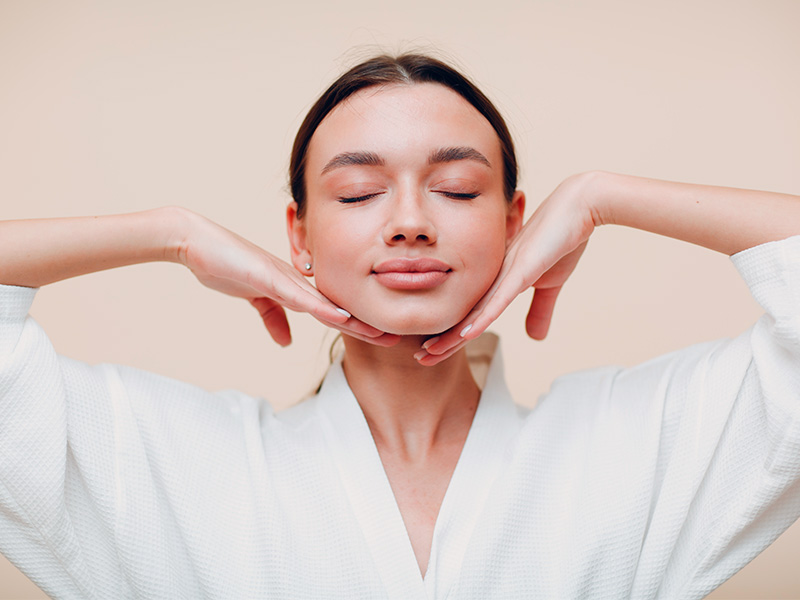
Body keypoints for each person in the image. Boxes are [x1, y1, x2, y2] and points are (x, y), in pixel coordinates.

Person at [1, 53, 799, 599]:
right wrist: (169, 232)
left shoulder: (630, 441)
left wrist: (604, 195)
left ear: (518, 223)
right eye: (357, 195)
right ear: (299, 235)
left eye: (455, 188)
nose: (411, 221)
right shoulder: (170, 458)